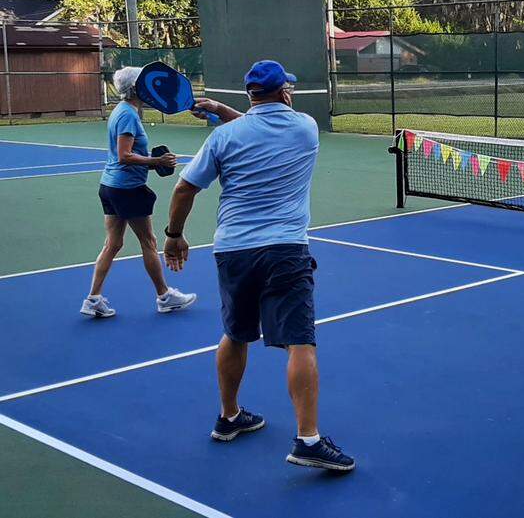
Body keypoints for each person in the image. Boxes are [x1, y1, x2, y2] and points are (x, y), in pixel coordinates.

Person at [163, 60, 354, 472]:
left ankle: (229, 417)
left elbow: (184, 187)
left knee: (235, 334)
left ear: (251, 94)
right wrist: (221, 109)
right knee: (300, 342)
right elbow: (260, 126)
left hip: (232, 251)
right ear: (285, 92)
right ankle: (308, 440)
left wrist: (174, 234)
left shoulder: (224, 137)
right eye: (289, 86)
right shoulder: (305, 128)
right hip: (285, 250)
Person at [82, 67, 196, 318]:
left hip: (111, 186)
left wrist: (152, 160)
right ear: (136, 88)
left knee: (113, 243)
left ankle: (93, 299)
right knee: (149, 242)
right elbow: (124, 156)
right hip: (126, 189)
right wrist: (156, 162)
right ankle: (164, 296)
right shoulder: (128, 116)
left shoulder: (122, 112)